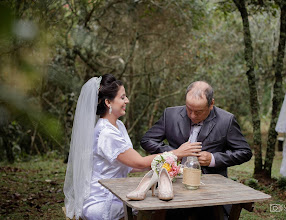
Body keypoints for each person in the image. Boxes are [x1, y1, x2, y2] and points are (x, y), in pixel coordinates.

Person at [63, 74, 201, 220]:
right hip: (103, 199)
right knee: (157, 206)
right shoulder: (106, 133)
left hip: (116, 192)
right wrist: (176, 153)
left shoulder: (118, 125)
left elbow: (130, 166)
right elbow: (138, 162)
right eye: (122, 97)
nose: (127, 101)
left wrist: (163, 166)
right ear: (108, 102)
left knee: (159, 203)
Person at [141, 81, 252, 219]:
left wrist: (213, 159)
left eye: (198, 112)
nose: (192, 115)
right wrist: (175, 153)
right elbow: (147, 140)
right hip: (170, 184)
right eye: (189, 109)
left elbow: (244, 152)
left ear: (211, 104)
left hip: (210, 191)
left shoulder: (226, 120)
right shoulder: (170, 114)